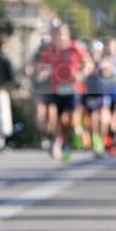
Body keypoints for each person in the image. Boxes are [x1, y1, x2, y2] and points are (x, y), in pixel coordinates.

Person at [37, 22, 92, 159]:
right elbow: (42, 67)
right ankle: (59, 143)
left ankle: (81, 135)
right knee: (59, 119)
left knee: (72, 119)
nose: (60, 38)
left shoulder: (75, 48)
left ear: (68, 35)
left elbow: (89, 63)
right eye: (57, 35)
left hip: (74, 88)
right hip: (57, 89)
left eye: (62, 34)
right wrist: (42, 73)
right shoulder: (50, 51)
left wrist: (81, 74)